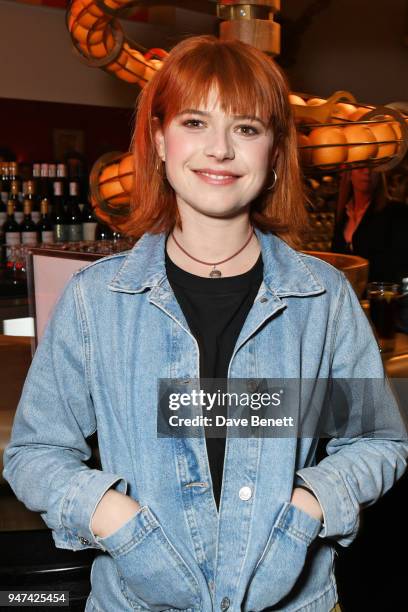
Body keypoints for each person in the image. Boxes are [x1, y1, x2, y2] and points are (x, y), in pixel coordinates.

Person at [3, 34, 408, 612]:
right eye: (195, 122)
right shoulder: (99, 300)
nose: (219, 149)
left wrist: (307, 506)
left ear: (273, 154)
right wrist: (114, 516)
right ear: (159, 142)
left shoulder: (320, 299)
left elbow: (374, 441)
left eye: (246, 128)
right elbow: (35, 453)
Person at [331, 166, 408, 284]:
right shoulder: (343, 214)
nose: (367, 171)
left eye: (373, 167)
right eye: (360, 167)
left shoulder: (395, 212)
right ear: (349, 174)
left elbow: (399, 266)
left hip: (381, 297)